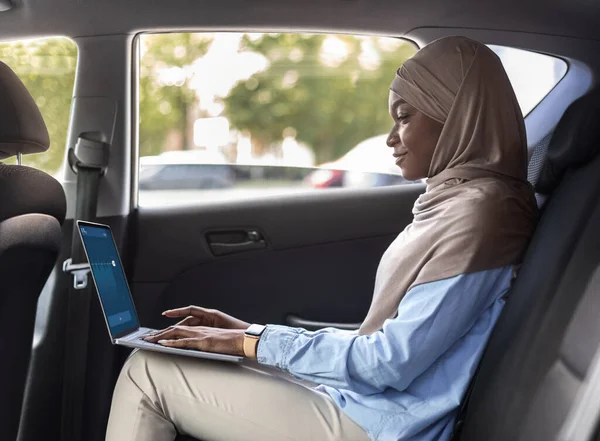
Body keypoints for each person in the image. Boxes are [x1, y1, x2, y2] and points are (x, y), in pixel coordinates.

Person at [105, 36, 538, 441]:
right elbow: (385, 343)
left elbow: (387, 362)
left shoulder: (481, 213)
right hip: (366, 404)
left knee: (148, 371)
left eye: (404, 117)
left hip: (382, 425)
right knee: (168, 358)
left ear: (457, 115)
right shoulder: (456, 203)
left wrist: (249, 344)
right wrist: (249, 332)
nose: (390, 139)